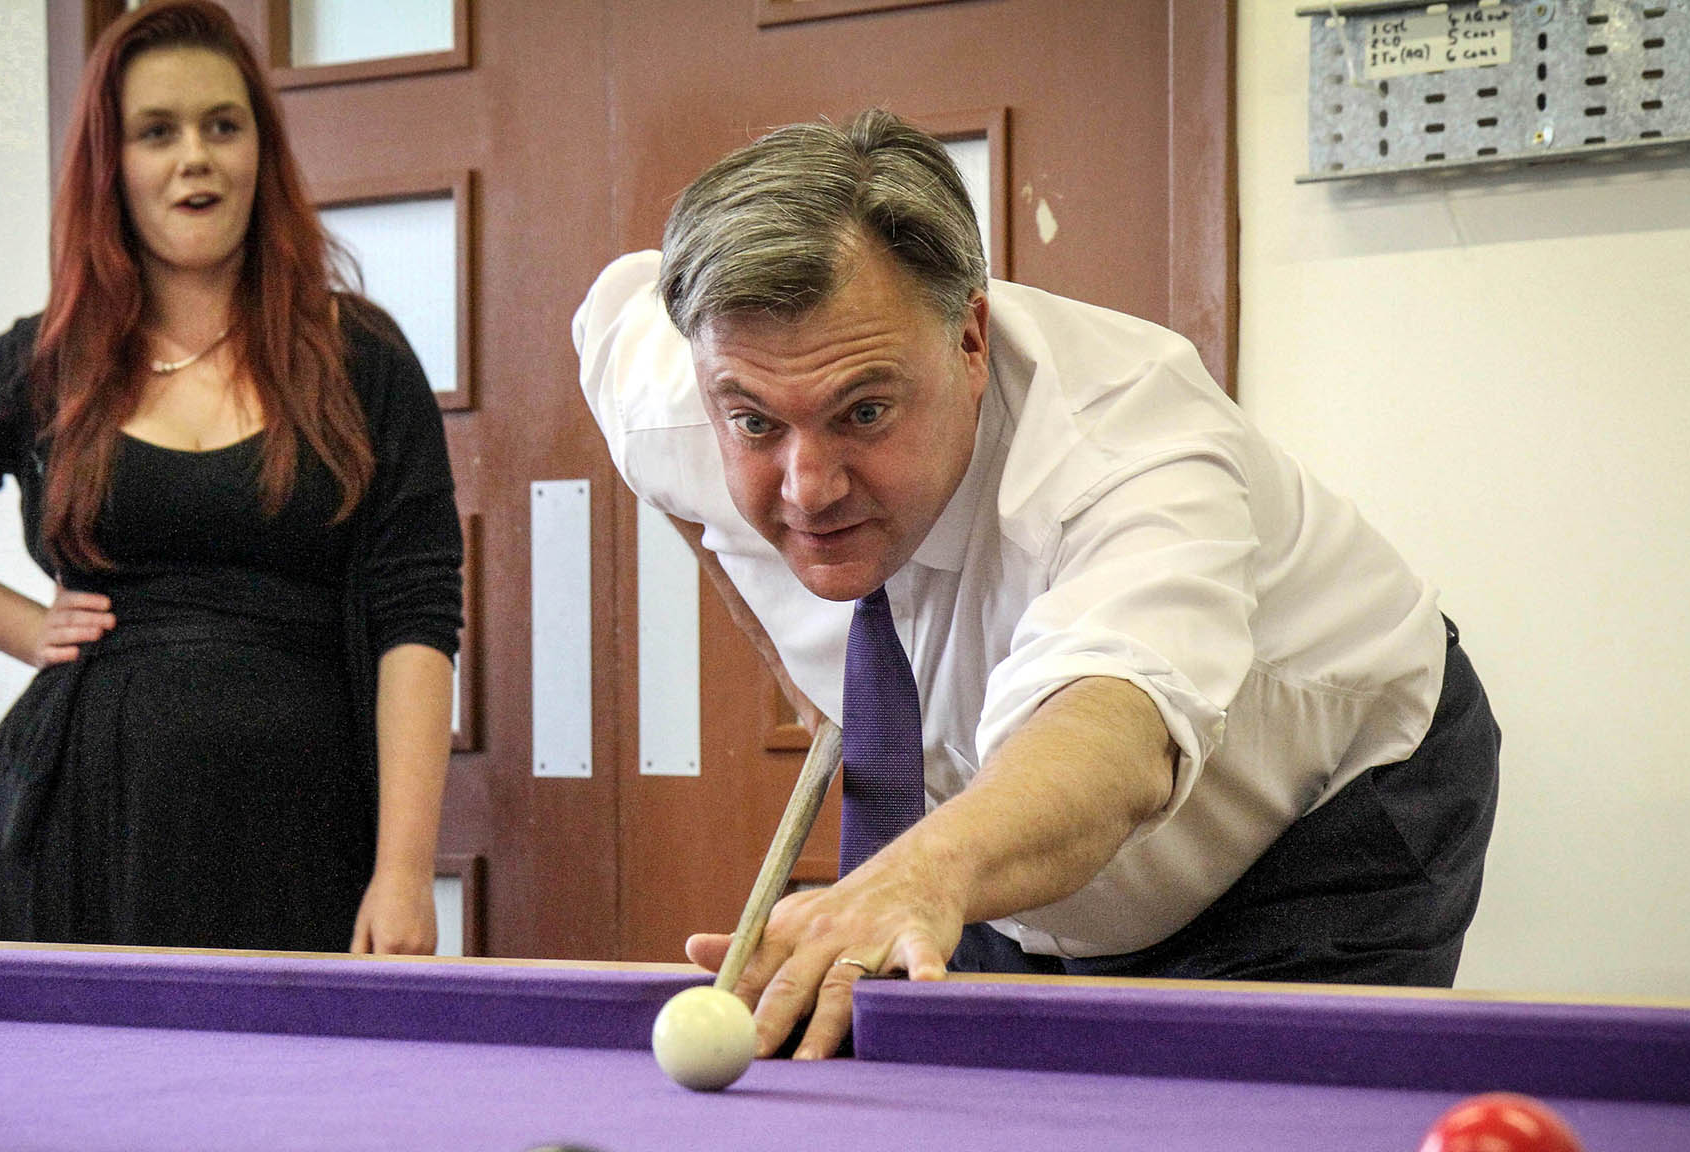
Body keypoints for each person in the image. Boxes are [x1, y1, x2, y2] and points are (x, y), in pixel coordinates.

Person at [574, 109, 1499, 1058]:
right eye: (757, 425)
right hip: (1002, 820)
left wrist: (926, 869)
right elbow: (629, 360)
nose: (809, 487)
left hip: (1320, 813)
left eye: (865, 410)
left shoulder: (1126, 447)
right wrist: (799, 670)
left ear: (971, 340)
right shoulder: (682, 389)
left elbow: (1116, 733)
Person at [0, 1, 461, 954]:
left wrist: (405, 871)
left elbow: (417, 618)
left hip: (306, 819)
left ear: (262, 150)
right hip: (86, 816)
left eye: (223, 125)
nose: (195, 157)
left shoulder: (359, 356)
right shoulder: (45, 364)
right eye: (156, 132)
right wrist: (27, 627)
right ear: (112, 166)